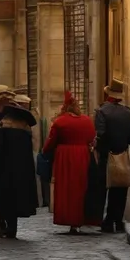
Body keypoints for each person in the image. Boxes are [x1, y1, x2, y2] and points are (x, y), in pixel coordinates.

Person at [42, 91, 100, 234]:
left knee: (67, 187)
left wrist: (45, 152)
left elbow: (50, 142)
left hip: (65, 156)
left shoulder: (60, 122)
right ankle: (81, 218)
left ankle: (70, 219)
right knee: (81, 186)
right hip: (83, 155)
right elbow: (92, 137)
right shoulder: (87, 120)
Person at [0, 101, 38, 239]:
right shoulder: (25, 130)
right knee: (15, 199)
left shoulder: (2, 127)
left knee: (1, 198)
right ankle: (12, 228)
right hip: (20, 170)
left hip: (4, 168)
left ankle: (2, 225)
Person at [95, 79, 130, 233]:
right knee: (120, 189)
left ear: (107, 94)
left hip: (107, 155)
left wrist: (102, 148)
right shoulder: (127, 112)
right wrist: (122, 143)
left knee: (103, 189)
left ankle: (105, 221)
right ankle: (118, 221)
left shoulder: (102, 112)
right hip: (123, 154)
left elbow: (101, 134)